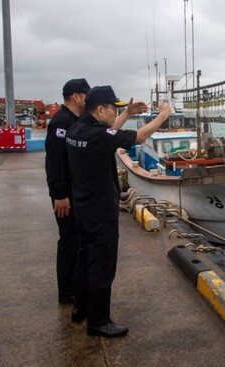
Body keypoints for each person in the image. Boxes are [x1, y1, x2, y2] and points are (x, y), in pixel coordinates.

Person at [66, 85, 171, 337]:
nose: (116, 113)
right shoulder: (98, 136)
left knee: (83, 262)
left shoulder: (76, 129)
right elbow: (137, 138)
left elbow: (109, 131)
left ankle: (80, 309)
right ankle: (99, 322)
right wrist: (163, 115)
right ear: (100, 109)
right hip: (101, 213)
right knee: (102, 268)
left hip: (82, 207)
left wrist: (127, 113)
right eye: (114, 109)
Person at [45, 78, 91, 304]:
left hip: (77, 192)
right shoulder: (60, 123)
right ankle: (67, 292)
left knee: (77, 240)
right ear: (77, 96)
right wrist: (59, 195)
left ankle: (76, 285)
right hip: (67, 195)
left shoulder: (76, 119)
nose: (88, 98)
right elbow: (54, 162)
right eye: (87, 95)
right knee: (69, 241)